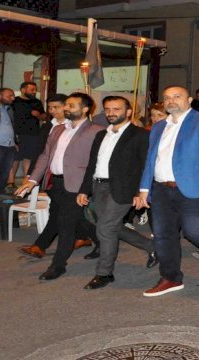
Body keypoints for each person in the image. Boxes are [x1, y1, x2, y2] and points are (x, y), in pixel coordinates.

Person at [134, 86, 199, 297]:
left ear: (189, 100)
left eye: (177, 96)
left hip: (196, 187)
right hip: (161, 189)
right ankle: (171, 278)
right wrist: (144, 188)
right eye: (167, 98)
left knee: (195, 231)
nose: (171, 101)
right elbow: (151, 160)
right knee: (163, 235)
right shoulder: (159, 126)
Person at [14, 93, 104, 281]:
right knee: (76, 218)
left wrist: (87, 188)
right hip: (55, 183)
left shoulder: (97, 131)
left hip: (77, 185)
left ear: (85, 109)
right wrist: (32, 180)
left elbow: (96, 163)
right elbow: (45, 156)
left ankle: (58, 265)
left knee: (65, 224)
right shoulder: (57, 129)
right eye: (66, 105)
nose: (66, 108)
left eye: (71, 105)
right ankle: (102, 241)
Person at [77, 96, 156, 290]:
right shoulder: (100, 135)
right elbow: (92, 164)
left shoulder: (140, 135)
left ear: (128, 112)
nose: (111, 113)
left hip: (123, 189)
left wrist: (140, 192)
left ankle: (104, 273)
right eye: (107, 109)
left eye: (116, 109)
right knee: (111, 227)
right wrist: (84, 189)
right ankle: (153, 248)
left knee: (105, 229)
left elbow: (146, 166)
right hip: (98, 187)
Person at [8, 82, 46, 190]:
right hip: (16, 133)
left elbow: (44, 116)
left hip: (33, 134)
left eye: (35, 89)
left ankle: (26, 182)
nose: (34, 92)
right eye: (32, 89)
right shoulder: (14, 101)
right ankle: (10, 182)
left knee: (29, 158)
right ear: (23, 90)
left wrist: (39, 115)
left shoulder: (37, 102)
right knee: (14, 158)